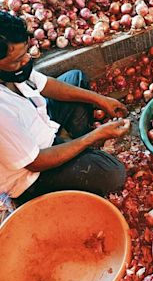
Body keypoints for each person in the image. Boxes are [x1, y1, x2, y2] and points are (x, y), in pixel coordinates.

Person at [0, 11, 131, 205]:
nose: (26, 60)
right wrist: (95, 136)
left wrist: (101, 100)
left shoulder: (13, 70)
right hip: (31, 176)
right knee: (113, 173)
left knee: (75, 78)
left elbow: (47, 85)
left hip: (39, 126)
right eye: (17, 60)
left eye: (26, 52)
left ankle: (74, 147)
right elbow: (36, 163)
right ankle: (78, 151)